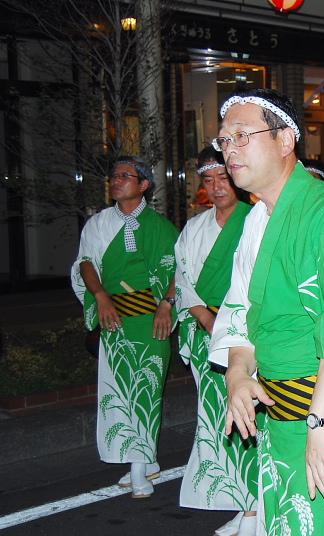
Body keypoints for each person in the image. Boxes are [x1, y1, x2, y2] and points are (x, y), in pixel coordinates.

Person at [207, 88, 324, 535]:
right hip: (280, 414)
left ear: (286, 139)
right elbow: (240, 312)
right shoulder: (255, 220)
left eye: (243, 136)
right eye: (225, 140)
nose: (230, 150)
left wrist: (321, 420)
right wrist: (237, 375)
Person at [70, 156, 178, 499]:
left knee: (146, 390)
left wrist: (166, 304)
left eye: (125, 175)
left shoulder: (161, 227)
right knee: (118, 391)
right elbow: (86, 262)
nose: (116, 180)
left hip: (152, 322)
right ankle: (144, 460)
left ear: (143, 184)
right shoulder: (98, 223)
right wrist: (99, 295)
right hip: (114, 319)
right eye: (113, 175)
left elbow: (182, 268)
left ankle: (138, 466)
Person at [175, 147, 258, 536]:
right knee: (215, 417)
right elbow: (183, 278)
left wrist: (223, 322)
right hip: (203, 330)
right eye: (207, 180)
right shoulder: (194, 228)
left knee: (248, 415)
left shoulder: (255, 219)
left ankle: (255, 507)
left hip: (243, 335)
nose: (216, 187)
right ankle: (239, 499)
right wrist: (205, 317)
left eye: (222, 178)